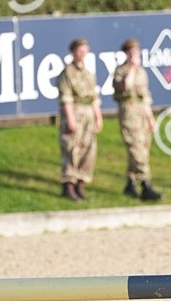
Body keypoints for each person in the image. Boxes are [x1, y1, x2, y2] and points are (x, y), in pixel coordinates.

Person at [112, 38, 162, 201]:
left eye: (137, 52)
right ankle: (146, 184)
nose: (135, 55)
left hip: (141, 111)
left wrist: (150, 118)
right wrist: (131, 68)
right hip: (129, 111)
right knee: (136, 148)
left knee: (144, 146)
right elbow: (124, 87)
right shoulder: (121, 71)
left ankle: (130, 183)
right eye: (131, 52)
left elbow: (145, 97)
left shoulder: (142, 72)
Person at [57, 37, 103, 201]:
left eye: (85, 50)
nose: (82, 53)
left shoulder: (88, 73)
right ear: (73, 52)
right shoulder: (67, 72)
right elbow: (66, 98)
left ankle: (80, 184)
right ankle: (68, 184)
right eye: (79, 50)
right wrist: (70, 119)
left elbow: (93, 97)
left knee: (88, 150)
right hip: (75, 112)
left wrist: (98, 116)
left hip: (88, 114)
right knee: (71, 148)